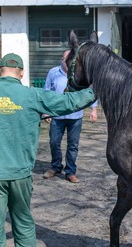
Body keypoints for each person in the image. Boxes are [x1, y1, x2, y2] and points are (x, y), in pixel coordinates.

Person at [0, 53, 96, 247]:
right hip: (20, 174)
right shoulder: (33, 95)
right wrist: (96, 89)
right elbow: (69, 102)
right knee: (23, 222)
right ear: (21, 73)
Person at [42, 50, 98, 184]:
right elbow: (46, 92)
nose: (69, 63)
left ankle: (70, 172)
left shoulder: (80, 73)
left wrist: (94, 109)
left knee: (73, 145)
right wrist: (46, 111)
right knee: (54, 142)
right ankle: (56, 167)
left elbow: (89, 92)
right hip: (57, 115)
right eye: (66, 60)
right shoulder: (53, 72)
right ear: (62, 60)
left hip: (75, 116)